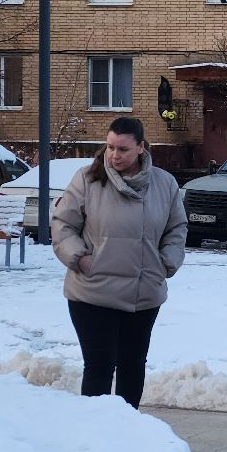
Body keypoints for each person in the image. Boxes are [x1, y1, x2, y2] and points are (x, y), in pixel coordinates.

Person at [51, 116, 187, 408]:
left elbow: (176, 228)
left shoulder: (164, 183)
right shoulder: (87, 179)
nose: (114, 155)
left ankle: (128, 430)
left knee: (133, 365)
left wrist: (165, 262)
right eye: (110, 147)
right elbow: (63, 225)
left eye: (123, 149)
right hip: (93, 291)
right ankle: (95, 432)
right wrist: (81, 259)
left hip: (144, 292)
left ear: (141, 147)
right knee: (99, 367)